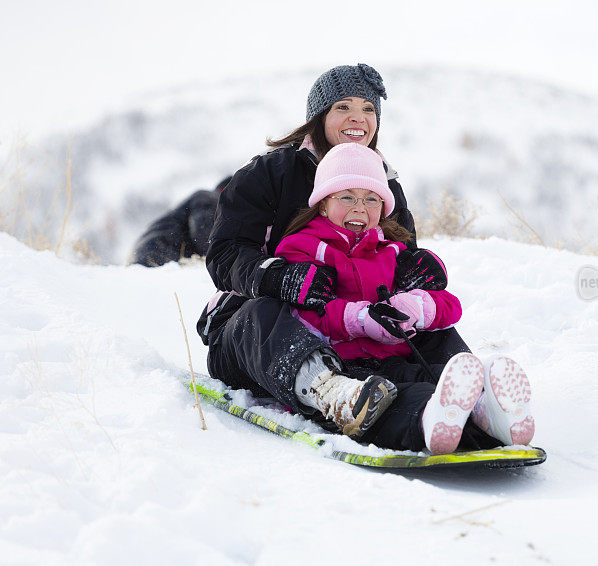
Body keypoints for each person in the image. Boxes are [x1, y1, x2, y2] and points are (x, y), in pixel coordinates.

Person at [196, 63, 531, 451]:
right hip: (258, 339)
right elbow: (225, 252)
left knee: (424, 326)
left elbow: (396, 253)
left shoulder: (383, 181)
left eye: (368, 109)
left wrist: (418, 273)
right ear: (319, 116)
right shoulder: (270, 173)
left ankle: (472, 397)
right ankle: (330, 390)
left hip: (359, 334)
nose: (358, 118)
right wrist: (274, 276)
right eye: (343, 107)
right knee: (264, 310)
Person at [275, 142, 536, 453]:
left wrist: (418, 306)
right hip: (343, 368)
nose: (360, 208)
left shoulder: (393, 252)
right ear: (322, 204)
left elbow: (450, 306)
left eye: (371, 199)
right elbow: (300, 315)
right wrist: (360, 319)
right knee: (389, 401)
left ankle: (487, 411)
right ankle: (427, 421)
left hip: (394, 356)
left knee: (436, 381)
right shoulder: (300, 248)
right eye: (347, 197)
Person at [128, 176, 232, 266]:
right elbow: (203, 232)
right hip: (156, 255)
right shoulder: (210, 197)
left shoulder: (207, 199)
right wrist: (224, 258)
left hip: (146, 254)